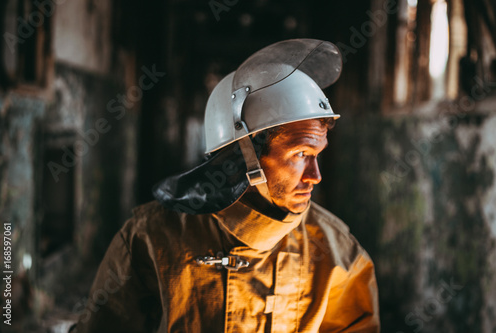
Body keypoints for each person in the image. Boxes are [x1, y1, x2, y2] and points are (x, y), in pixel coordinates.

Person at [72, 39, 380, 333]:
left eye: (316, 155)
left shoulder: (339, 253)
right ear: (243, 154)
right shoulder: (150, 239)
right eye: (300, 154)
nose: (315, 176)